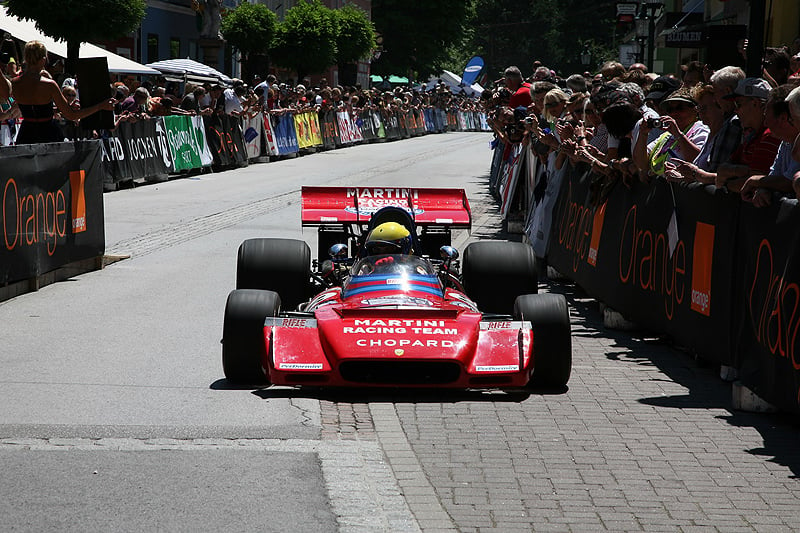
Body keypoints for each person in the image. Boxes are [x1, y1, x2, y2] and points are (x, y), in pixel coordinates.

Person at [11, 41, 113, 144]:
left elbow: (32, 107)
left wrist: (53, 110)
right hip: (48, 135)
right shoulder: (49, 84)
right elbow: (72, 115)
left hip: (26, 134)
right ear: (43, 60)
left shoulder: (15, 83)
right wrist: (100, 106)